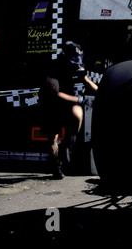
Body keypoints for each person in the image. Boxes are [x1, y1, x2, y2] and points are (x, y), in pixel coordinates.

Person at [40, 41, 98, 179]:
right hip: (52, 105)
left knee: (77, 115)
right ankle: (55, 165)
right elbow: (55, 94)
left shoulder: (78, 66)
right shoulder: (54, 67)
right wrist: (79, 100)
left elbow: (87, 81)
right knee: (52, 137)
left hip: (69, 103)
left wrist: (105, 91)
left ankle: (66, 146)